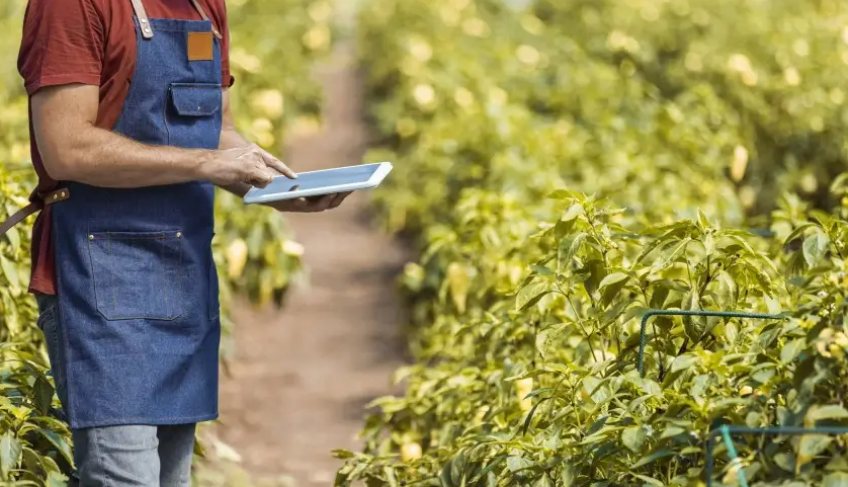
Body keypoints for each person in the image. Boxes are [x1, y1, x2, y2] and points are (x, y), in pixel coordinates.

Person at [0, 0, 351, 484]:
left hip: (182, 277)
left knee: (171, 478)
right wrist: (205, 165)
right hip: (99, 279)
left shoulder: (205, 6)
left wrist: (274, 187)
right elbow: (66, 147)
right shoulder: (73, 6)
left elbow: (217, 132)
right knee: (125, 475)